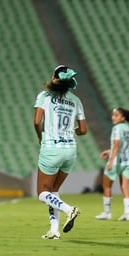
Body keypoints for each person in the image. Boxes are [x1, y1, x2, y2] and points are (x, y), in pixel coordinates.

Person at [34, 65, 87, 239]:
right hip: (70, 150)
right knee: (54, 191)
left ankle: (68, 209)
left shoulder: (45, 96)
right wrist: (74, 132)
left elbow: (37, 121)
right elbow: (83, 130)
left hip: (51, 148)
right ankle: (54, 230)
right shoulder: (76, 100)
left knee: (43, 193)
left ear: (55, 78)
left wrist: (40, 137)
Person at [95, 108, 129, 221]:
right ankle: (127, 214)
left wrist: (111, 161)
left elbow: (117, 144)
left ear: (123, 118)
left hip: (117, 161)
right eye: (113, 115)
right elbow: (123, 146)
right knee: (125, 187)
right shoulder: (127, 128)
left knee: (106, 186)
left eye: (116, 115)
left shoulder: (116, 128)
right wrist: (109, 151)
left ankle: (107, 213)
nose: (113, 117)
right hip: (127, 161)